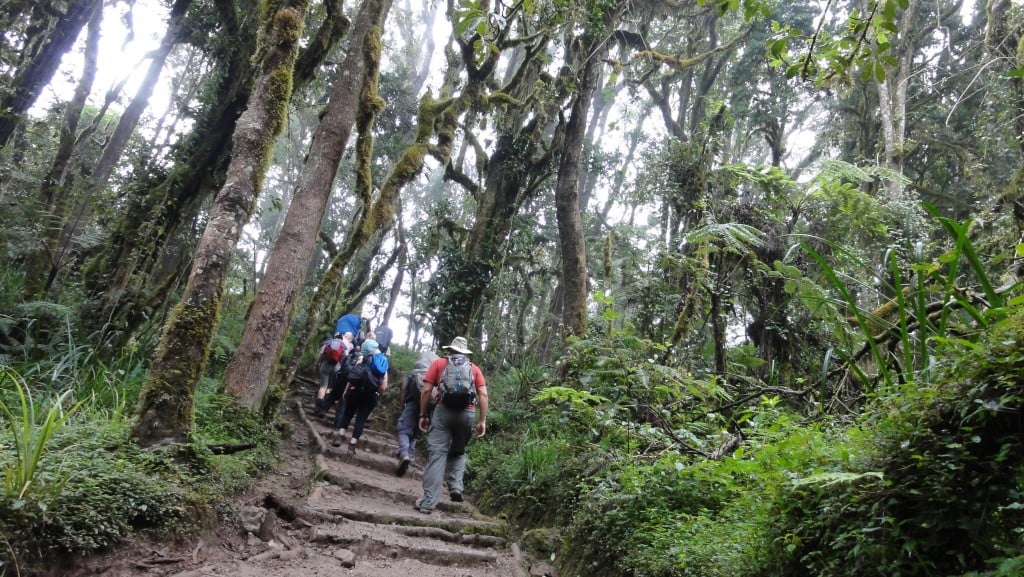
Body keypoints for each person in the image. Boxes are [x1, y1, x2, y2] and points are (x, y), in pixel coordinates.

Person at [415, 336, 488, 514]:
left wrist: (423, 414)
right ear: (464, 352)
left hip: (443, 411)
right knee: (459, 450)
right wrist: (482, 420)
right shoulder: (473, 368)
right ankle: (456, 485)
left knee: (437, 455)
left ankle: (427, 503)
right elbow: (483, 394)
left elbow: (426, 390)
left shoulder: (439, 364)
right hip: (467, 413)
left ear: (450, 350)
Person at [331, 339, 389, 455]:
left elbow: (352, 377)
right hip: (371, 395)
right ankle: (352, 446)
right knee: (361, 420)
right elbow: (383, 386)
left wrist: (346, 391)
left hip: (355, 392)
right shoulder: (382, 364)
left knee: (348, 413)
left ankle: (340, 436)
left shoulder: (361, 360)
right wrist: (378, 394)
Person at [394, 350, 438, 476]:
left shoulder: (414, 375)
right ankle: (409, 458)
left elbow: (403, 388)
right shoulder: (435, 378)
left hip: (412, 404)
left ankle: (404, 453)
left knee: (403, 430)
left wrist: (402, 405)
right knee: (415, 433)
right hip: (428, 408)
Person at [313, 333, 346, 418]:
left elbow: (321, 353)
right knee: (329, 388)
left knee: (323, 387)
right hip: (336, 367)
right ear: (341, 339)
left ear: (335, 337)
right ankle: (323, 409)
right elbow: (345, 357)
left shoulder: (328, 342)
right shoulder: (343, 345)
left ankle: (317, 407)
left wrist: (316, 363)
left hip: (325, 365)